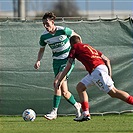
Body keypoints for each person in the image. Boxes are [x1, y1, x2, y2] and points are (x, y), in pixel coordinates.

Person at [54, 35, 133, 122]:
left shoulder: (75, 47)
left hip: (97, 71)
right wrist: (109, 74)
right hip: (96, 71)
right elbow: (106, 60)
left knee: (113, 92)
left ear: (71, 43)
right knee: (80, 87)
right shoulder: (89, 47)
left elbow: (68, 65)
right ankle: (85, 114)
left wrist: (60, 80)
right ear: (80, 41)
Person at [34, 12, 82, 120]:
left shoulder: (63, 30)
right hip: (56, 62)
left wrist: (78, 51)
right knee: (64, 91)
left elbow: (77, 37)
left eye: (47, 23)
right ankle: (77, 106)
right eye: (43, 24)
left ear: (52, 22)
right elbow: (41, 50)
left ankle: (54, 112)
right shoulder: (44, 36)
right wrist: (38, 60)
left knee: (56, 83)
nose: (46, 26)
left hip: (67, 61)